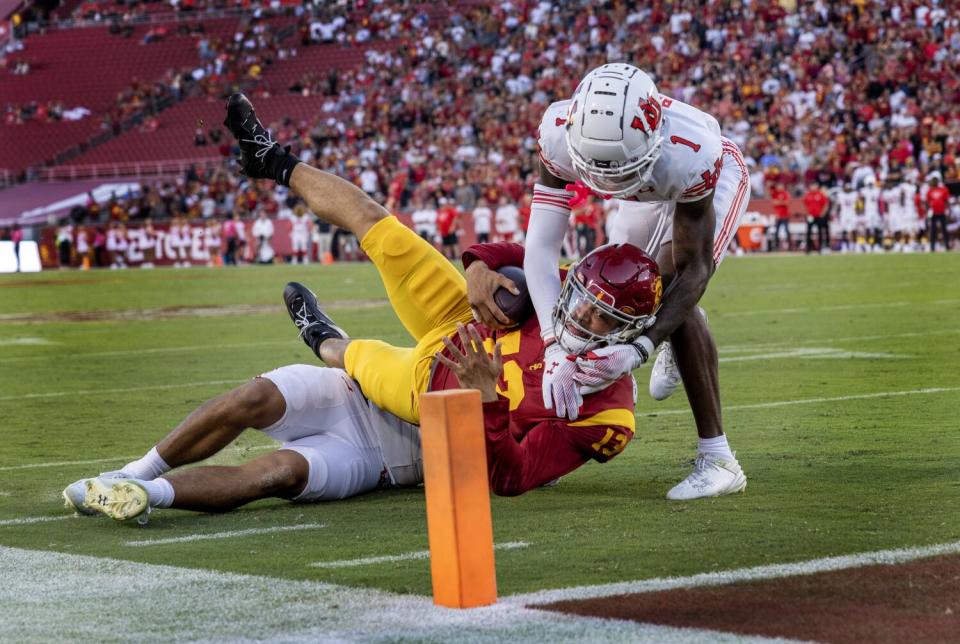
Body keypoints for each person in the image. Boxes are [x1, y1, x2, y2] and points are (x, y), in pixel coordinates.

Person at [62, 93, 664, 521]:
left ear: (632, 331)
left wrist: (483, 399)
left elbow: (509, 478)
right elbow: (525, 252)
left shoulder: (606, 419)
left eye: (602, 317)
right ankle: (271, 158)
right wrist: (480, 261)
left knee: (345, 361)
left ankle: (324, 339)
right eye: (581, 300)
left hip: (439, 394)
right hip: (465, 323)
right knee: (385, 232)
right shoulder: (566, 293)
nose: (580, 317)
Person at [494, 63, 750, 500]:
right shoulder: (558, 129)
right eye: (598, 171)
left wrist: (639, 347)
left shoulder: (691, 155)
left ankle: (720, 458)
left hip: (701, 185)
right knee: (612, 293)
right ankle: (548, 434)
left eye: (617, 170)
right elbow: (539, 247)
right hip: (648, 185)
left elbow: (695, 269)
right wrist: (555, 343)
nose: (608, 184)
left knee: (668, 291)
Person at [925, 174, 951, 252]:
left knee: (944, 229)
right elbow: (927, 202)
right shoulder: (930, 191)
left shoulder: (943, 190)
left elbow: (946, 201)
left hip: (942, 212)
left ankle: (947, 246)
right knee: (933, 230)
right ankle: (932, 247)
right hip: (933, 213)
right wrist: (928, 212)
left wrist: (947, 211)